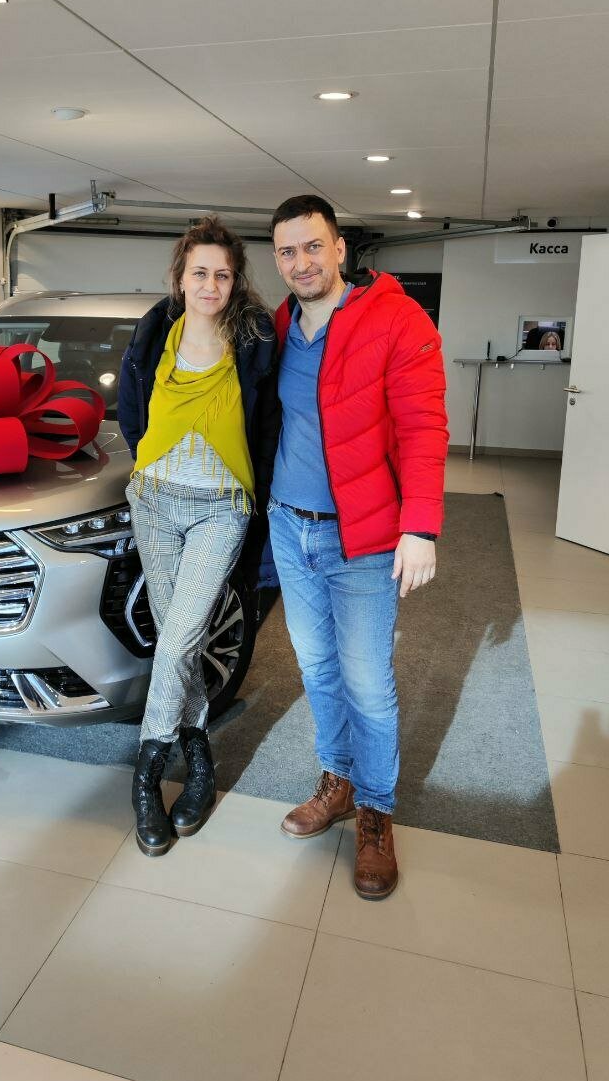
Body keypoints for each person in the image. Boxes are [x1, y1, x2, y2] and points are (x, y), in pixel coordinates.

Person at [267, 194, 448, 899]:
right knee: (316, 668)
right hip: (290, 527)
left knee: (367, 681)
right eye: (287, 251)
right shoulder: (280, 324)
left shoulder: (397, 319)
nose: (301, 262)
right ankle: (337, 780)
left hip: (364, 536)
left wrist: (420, 525)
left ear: (340, 249)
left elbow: (424, 426)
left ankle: (375, 810)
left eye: (313, 246)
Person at [118, 216, 278, 857]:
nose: (211, 285)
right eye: (200, 273)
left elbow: (267, 421)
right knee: (176, 642)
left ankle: (146, 774)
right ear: (180, 278)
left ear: (235, 282)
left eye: (223, 275)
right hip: (154, 502)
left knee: (181, 636)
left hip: (221, 507)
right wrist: (148, 466)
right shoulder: (156, 331)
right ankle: (200, 758)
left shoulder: (254, 338)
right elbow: (133, 412)